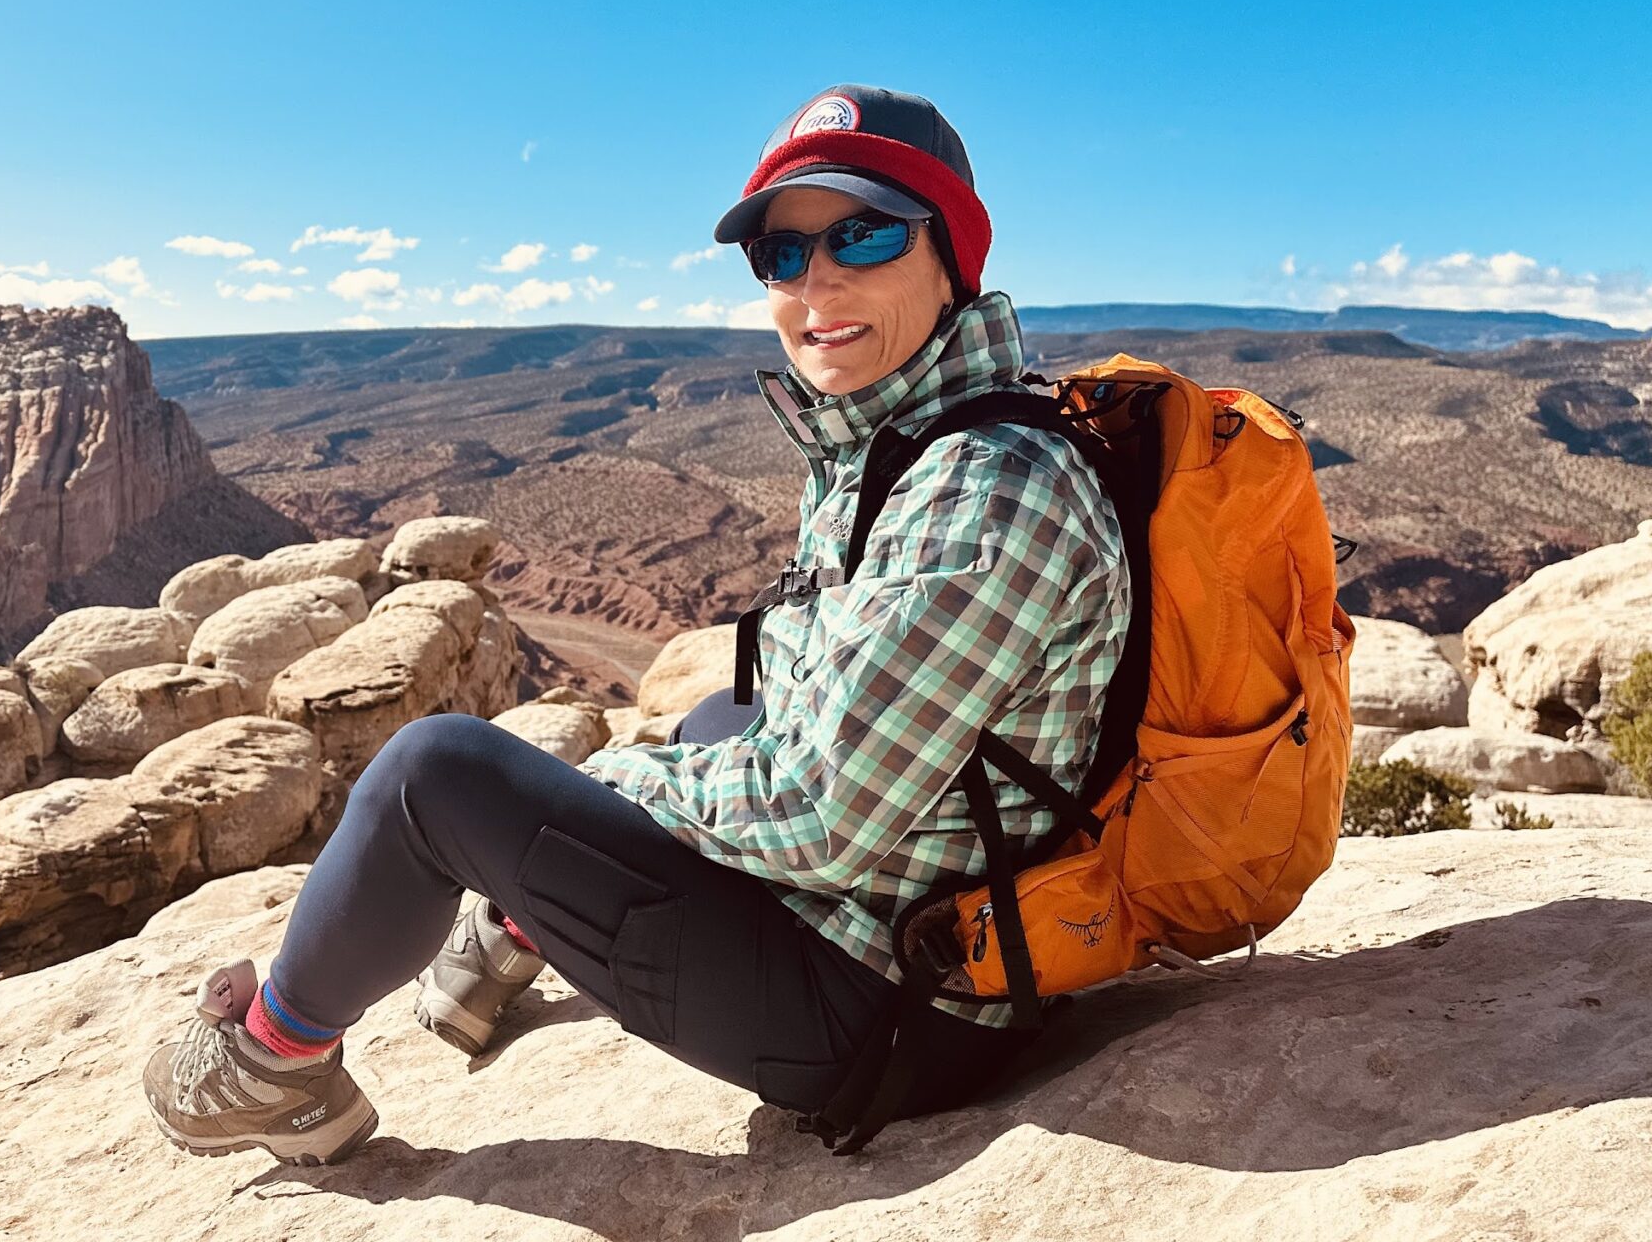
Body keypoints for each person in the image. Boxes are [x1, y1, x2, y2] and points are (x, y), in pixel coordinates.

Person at [141, 84, 1132, 1165]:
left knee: (434, 773)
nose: (819, 281)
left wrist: (601, 791)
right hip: (919, 928)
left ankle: (272, 1064)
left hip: (898, 1006)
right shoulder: (907, 433)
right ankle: (514, 929)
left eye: (866, 232)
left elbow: (820, 814)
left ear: (955, 252)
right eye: (783, 255)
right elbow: (810, 728)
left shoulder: (983, 492)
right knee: (723, 712)